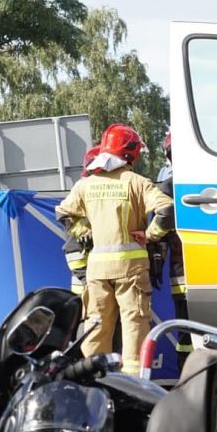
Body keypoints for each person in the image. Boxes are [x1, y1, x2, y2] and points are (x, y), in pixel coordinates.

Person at [56, 123, 174, 372]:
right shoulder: (138, 183)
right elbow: (167, 210)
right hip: (131, 270)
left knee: (96, 327)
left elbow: (64, 213)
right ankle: (132, 385)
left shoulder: (85, 185)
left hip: (97, 271)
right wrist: (150, 235)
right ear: (131, 153)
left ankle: (93, 381)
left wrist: (84, 233)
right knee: (134, 326)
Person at [152, 131, 193, 370]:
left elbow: (161, 230)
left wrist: (154, 252)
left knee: (186, 329)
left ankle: (187, 373)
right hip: (195, 273)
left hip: (183, 272)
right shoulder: (211, 182)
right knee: (187, 331)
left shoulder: (167, 187)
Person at [62, 146, 102, 302]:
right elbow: (72, 249)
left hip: (98, 282)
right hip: (87, 286)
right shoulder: (83, 191)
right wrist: (86, 280)